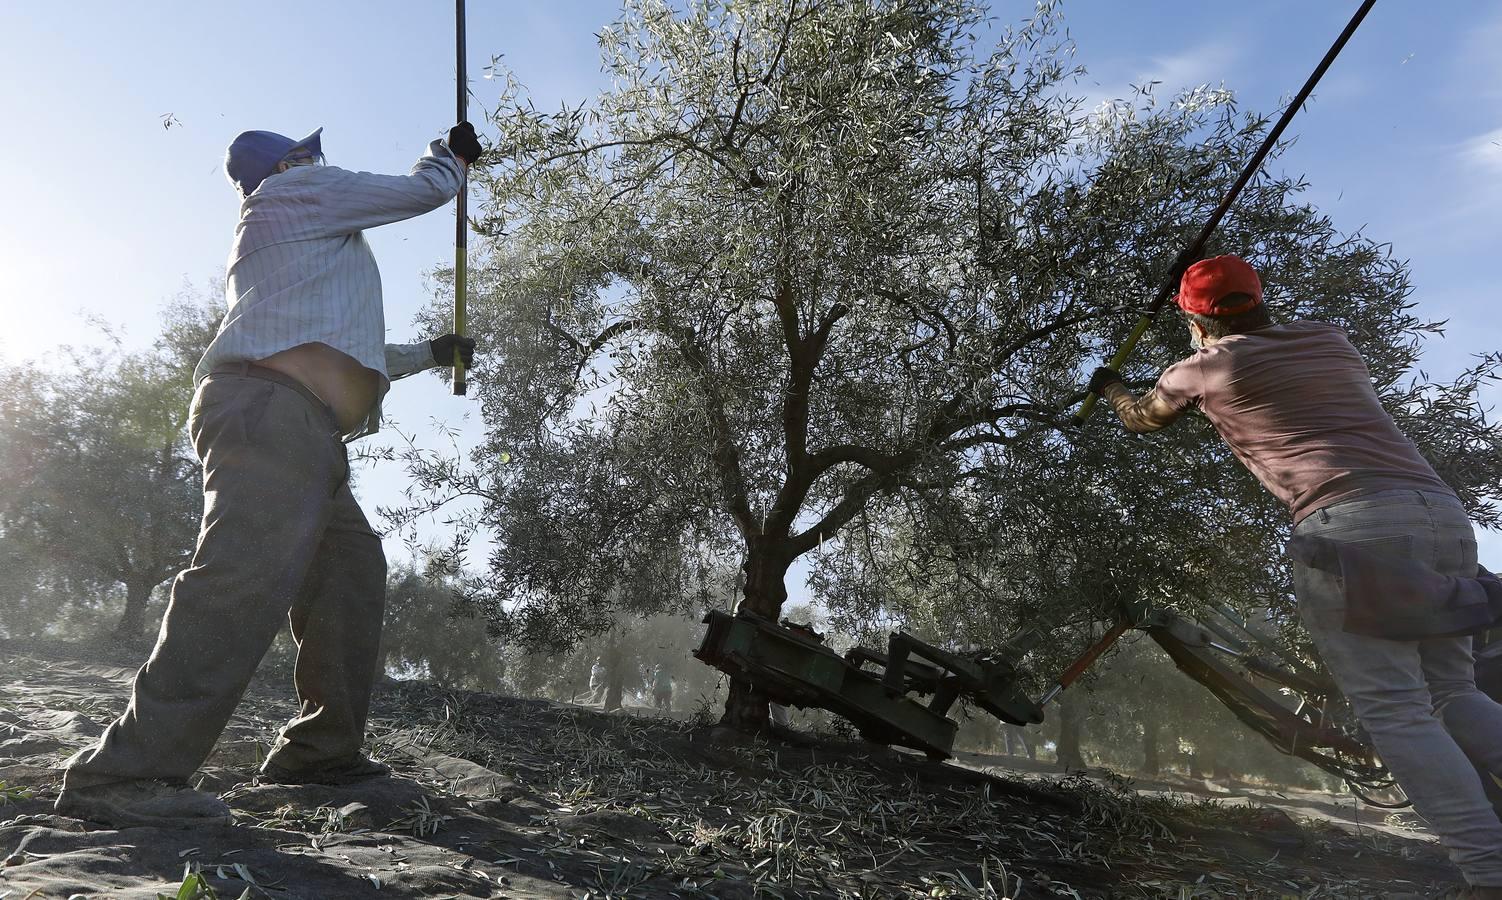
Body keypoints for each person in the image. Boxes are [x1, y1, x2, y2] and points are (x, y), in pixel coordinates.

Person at [53, 121, 485, 829]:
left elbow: (339, 344)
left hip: (301, 427)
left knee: (349, 572)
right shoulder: (294, 192)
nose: (321, 159)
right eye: (310, 152)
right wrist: (452, 159)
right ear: (287, 163)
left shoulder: (301, 234)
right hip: (271, 415)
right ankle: (123, 775)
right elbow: (421, 191)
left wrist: (430, 353)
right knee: (239, 576)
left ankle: (319, 756)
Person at [1091, 254, 1502, 896]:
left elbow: (1144, 417)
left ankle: (1489, 872)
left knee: (1395, 708)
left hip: (1349, 528)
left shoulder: (1200, 368)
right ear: (1261, 299)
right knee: (1452, 690)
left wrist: (1110, 385)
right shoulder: (1329, 339)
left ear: (1194, 321)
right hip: (1442, 515)